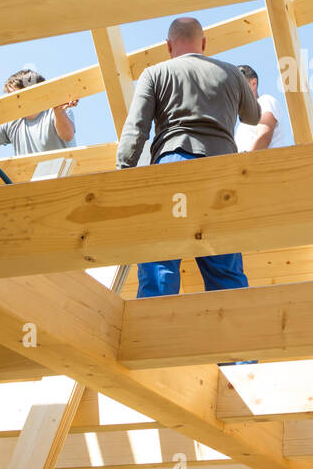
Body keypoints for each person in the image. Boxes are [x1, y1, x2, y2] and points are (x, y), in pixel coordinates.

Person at [117, 17, 261, 299]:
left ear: (169, 45)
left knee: (160, 263)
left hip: (173, 166)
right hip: (221, 169)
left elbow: (136, 130)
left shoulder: (155, 73)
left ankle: (155, 335)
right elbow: (253, 116)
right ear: (204, 44)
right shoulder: (231, 73)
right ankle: (233, 337)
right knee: (225, 268)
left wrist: (123, 171)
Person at [234, 65, 291, 151]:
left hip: (268, 162)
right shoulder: (242, 126)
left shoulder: (264, 101)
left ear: (253, 83)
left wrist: (245, 163)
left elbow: (264, 136)